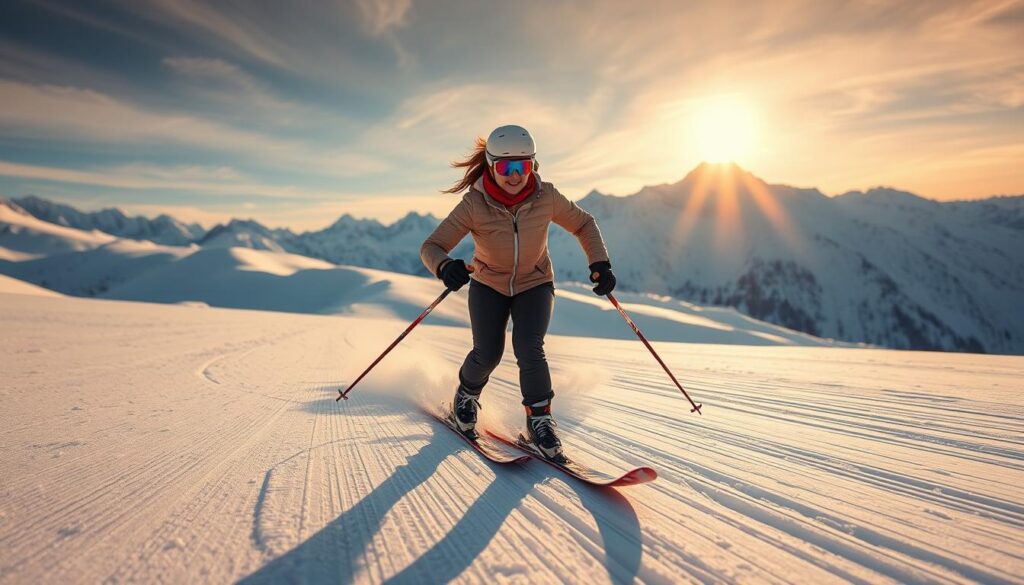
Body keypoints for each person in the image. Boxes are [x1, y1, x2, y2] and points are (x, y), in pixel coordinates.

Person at [420, 124, 616, 458]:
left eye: (523, 166)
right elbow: (432, 246)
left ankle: (539, 421)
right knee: (487, 353)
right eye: (506, 167)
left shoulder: (546, 196)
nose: (515, 176)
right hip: (488, 284)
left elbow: (584, 224)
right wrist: (444, 266)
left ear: (533, 164)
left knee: (529, 347)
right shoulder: (474, 204)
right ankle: (466, 396)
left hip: (535, 282)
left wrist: (600, 262)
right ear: (491, 166)